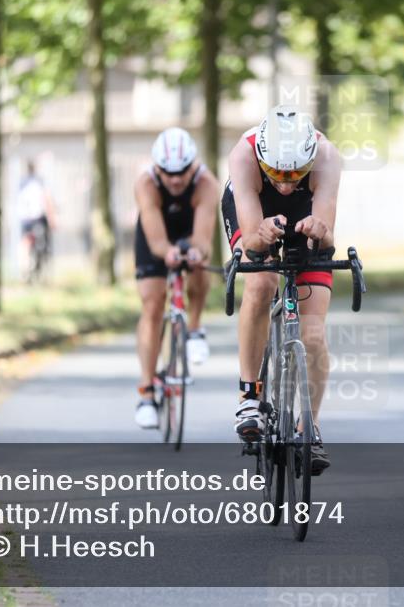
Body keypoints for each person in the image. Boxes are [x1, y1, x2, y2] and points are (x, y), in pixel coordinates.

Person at [221, 105, 341, 475]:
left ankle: (310, 427)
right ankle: (250, 395)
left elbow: (325, 238)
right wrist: (261, 236)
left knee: (315, 333)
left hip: (305, 215)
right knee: (261, 281)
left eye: (295, 174)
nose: (287, 183)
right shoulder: (243, 155)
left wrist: (317, 233)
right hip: (256, 211)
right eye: (276, 173)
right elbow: (254, 245)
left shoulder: (327, 157)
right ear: (261, 158)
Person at [133, 127, 219, 429]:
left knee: (197, 264)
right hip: (155, 233)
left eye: (182, 171)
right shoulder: (146, 184)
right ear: (157, 168)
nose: (175, 179)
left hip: (190, 229)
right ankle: (146, 391)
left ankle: (194, 327)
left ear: (193, 164)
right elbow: (157, 243)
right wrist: (167, 252)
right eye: (168, 173)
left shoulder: (207, 184)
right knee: (153, 304)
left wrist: (196, 252)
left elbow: (204, 239)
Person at [17, 161, 56, 273]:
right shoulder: (39, 182)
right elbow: (46, 200)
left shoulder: (22, 183)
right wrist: (52, 219)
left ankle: (24, 267)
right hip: (37, 218)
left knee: (25, 241)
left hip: (25, 219)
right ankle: (37, 260)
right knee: (41, 238)